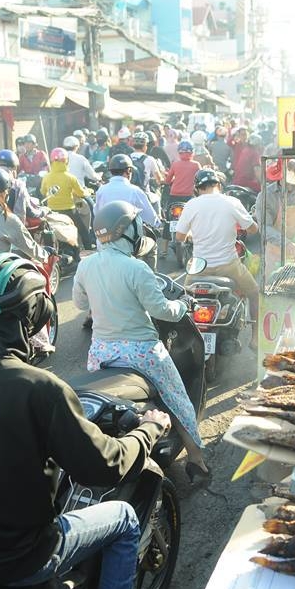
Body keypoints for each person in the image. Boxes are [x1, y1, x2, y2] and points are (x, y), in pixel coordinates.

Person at [0, 252, 168, 589]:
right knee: (125, 519)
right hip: (23, 559)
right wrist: (149, 428)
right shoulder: (40, 388)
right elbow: (105, 468)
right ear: (35, 312)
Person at [74, 201, 209, 481]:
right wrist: (183, 305)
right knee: (176, 397)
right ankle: (197, 461)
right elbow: (161, 310)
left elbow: (78, 302)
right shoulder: (136, 268)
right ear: (127, 231)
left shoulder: (86, 265)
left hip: (101, 351)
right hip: (141, 351)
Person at [175, 169, 259, 347]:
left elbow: (179, 237)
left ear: (197, 188)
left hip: (199, 268)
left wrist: (192, 234)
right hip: (228, 265)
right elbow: (253, 229)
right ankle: (255, 338)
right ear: (219, 185)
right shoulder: (231, 202)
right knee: (254, 292)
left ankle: (179, 338)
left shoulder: (191, 205)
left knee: (182, 298)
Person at [40, 147, 91, 256]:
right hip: (69, 211)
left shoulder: (46, 177)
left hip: (52, 212)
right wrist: (88, 192)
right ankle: (88, 250)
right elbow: (81, 193)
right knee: (83, 231)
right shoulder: (70, 177)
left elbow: (43, 192)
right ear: (66, 161)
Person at [0, 149, 46, 223]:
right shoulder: (17, 185)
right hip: (10, 229)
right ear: (14, 168)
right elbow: (29, 211)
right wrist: (42, 212)